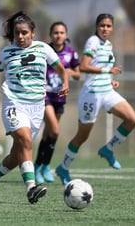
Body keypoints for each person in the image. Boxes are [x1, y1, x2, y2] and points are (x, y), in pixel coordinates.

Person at [0, 11, 69, 204]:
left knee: (17, 154)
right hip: (13, 103)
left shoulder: (43, 49)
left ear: (33, 32)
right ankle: (31, 189)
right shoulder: (6, 52)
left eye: (24, 33)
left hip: (36, 107)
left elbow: (61, 68)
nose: (20, 37)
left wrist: (65, 83)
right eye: (17, 33)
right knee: (25, 141)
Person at [55, 13, 135, 185]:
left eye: (108, 26)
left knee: (132, 119)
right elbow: (84, 67)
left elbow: (102, 68)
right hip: (91, 95)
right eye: (102, 25)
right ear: (96, 26)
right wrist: (107, 72)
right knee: (82, 136)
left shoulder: (108, 44)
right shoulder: (93, 41)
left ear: (112, 28)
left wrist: (110, 80)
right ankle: (63, 167)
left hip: (107, 91)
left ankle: (108, 149)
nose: (105, 29)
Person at [33, 22, 80, 184]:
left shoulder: (71, 53)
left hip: (60, 97)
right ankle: (42, 165)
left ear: (66, 35)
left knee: (49, 134)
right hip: (45, 96)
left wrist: (69, 72)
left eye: (61, 32)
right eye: (55, 32)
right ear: (50, 35)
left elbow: (78, 74)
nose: (58, 35)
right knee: (55, 130)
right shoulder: (44, 51)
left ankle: (41, 167)